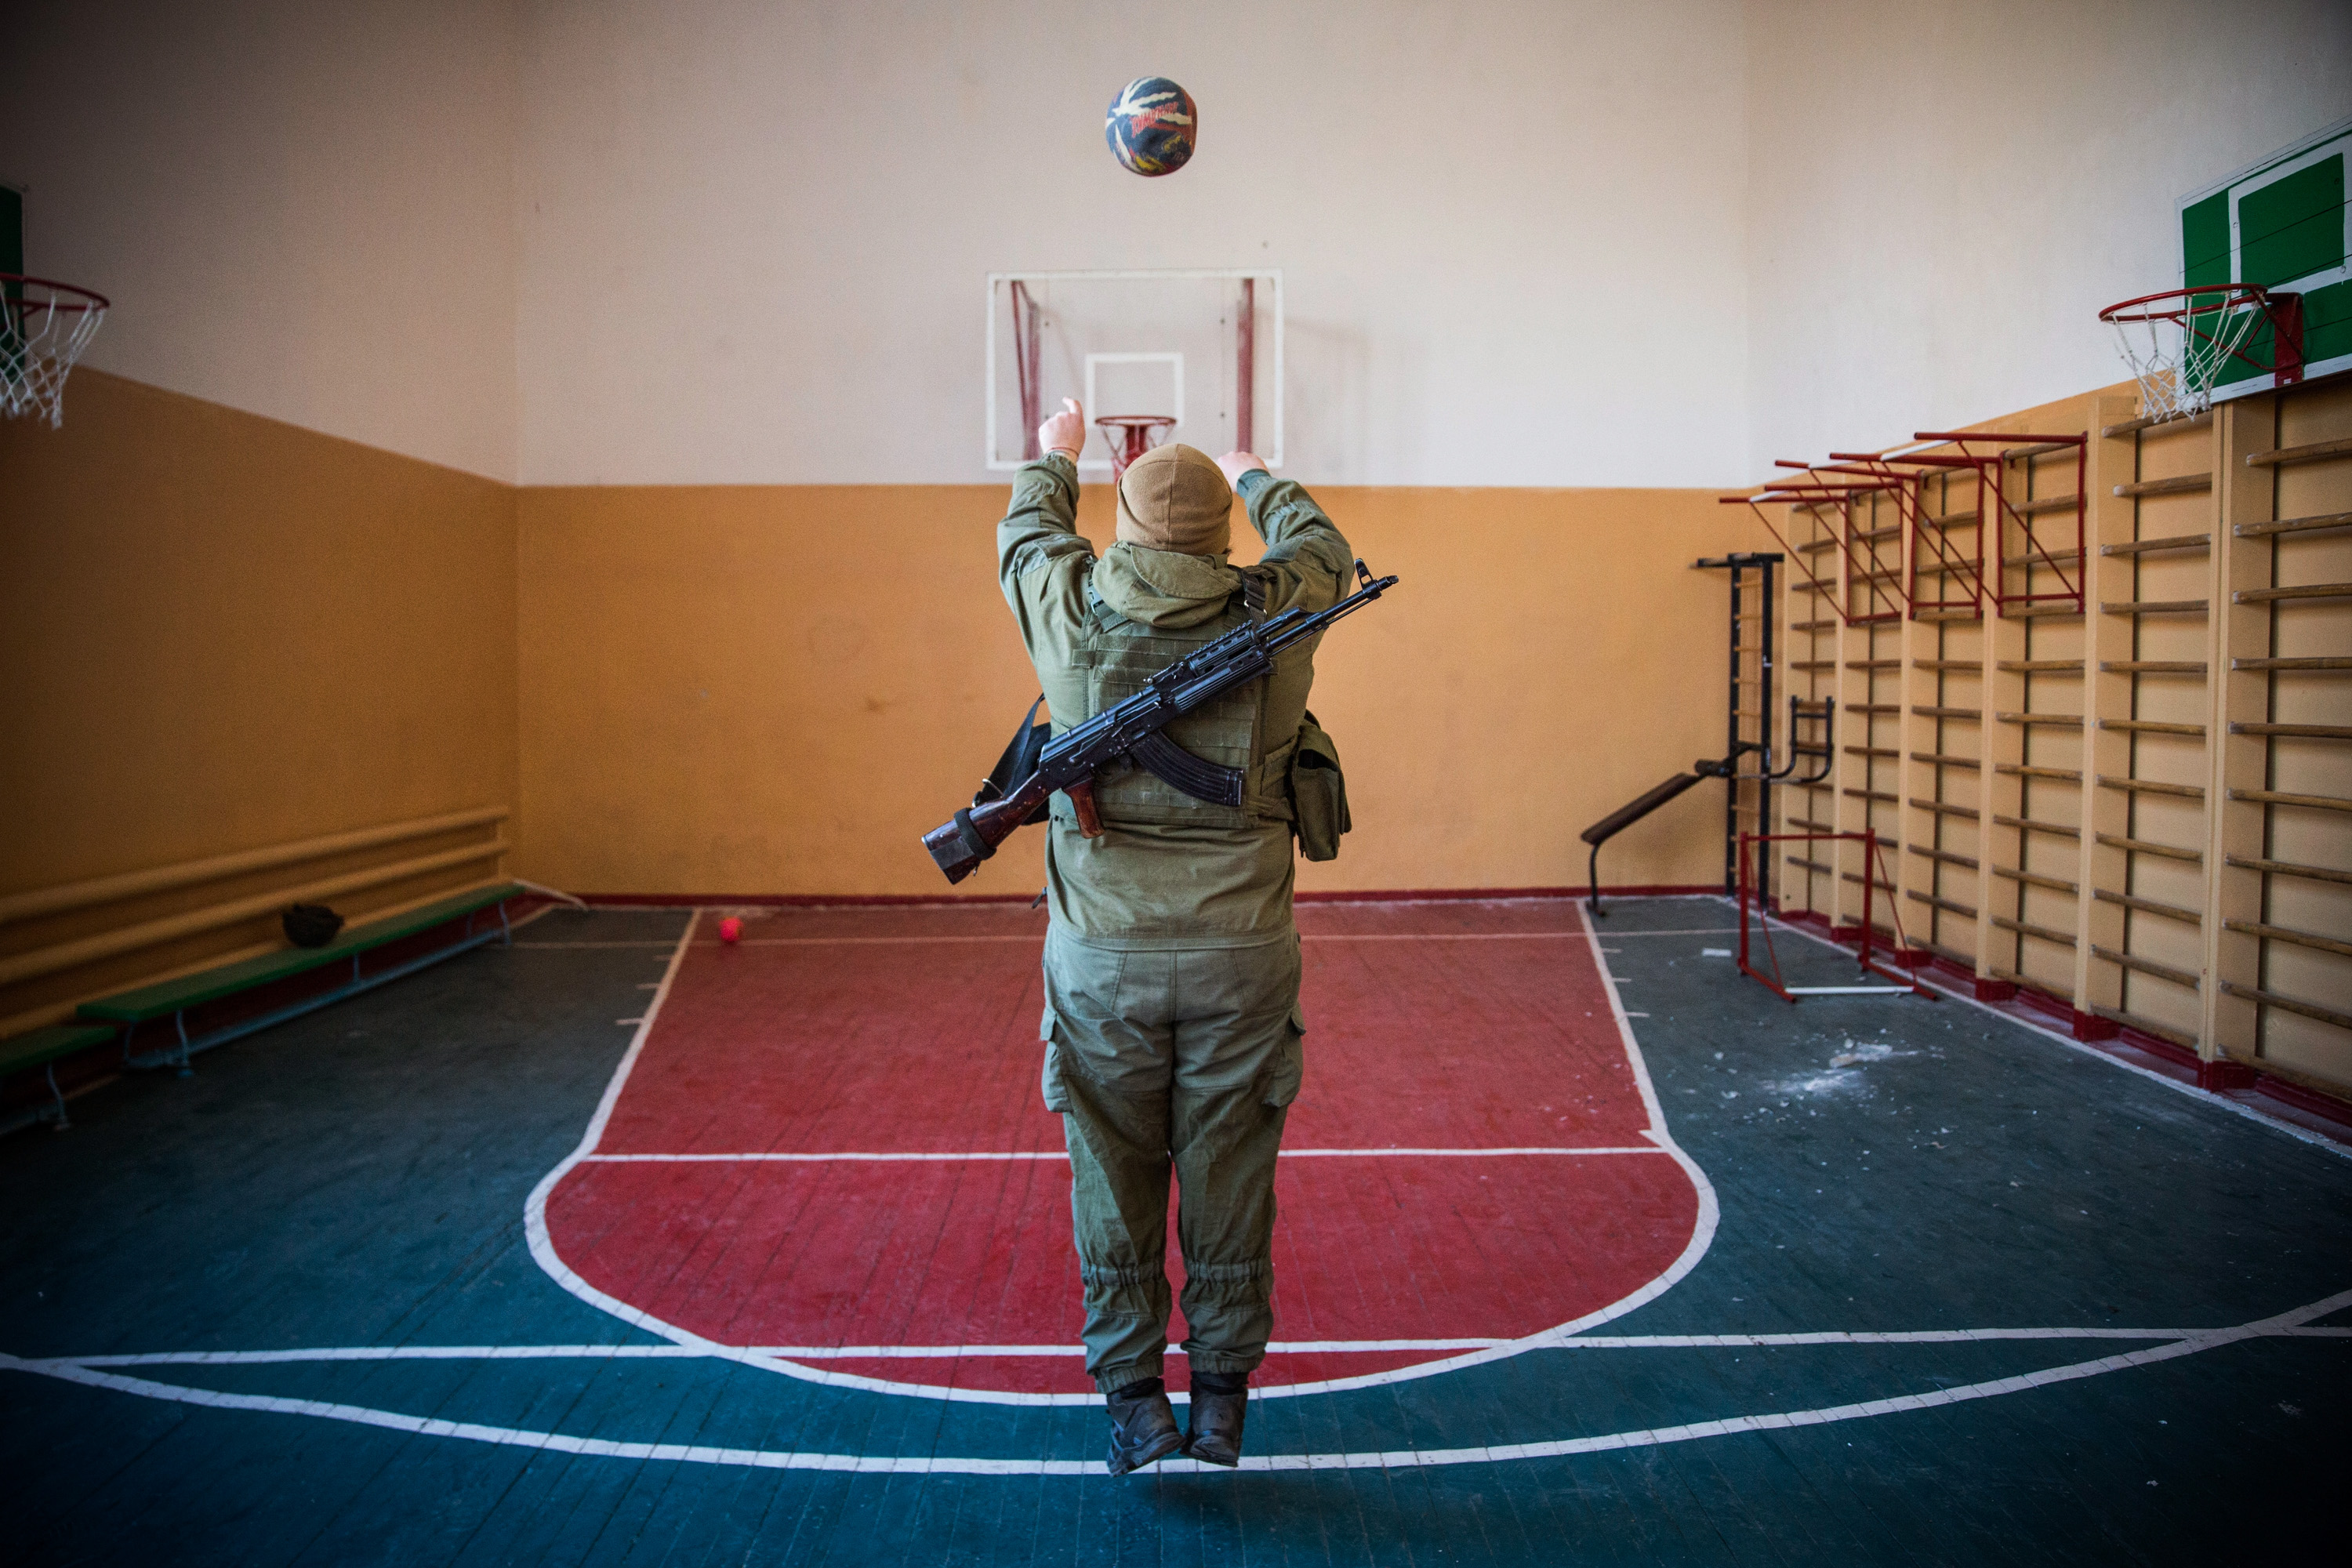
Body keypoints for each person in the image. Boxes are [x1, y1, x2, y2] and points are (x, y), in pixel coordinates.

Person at [995, 397, 1353, 1475]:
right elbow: (1324, 547)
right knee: (1233, 1164)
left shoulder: (1067, 603)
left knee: (1110, 1167)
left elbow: (1028, 537)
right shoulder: (1278, 609)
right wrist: (1253, 469)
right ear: (1223, 535)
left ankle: (1135, 1399)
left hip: (1102, 960)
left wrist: (1056, 454)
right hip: (1242, 951)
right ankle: (1225, 1396)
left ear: (1126, 524)